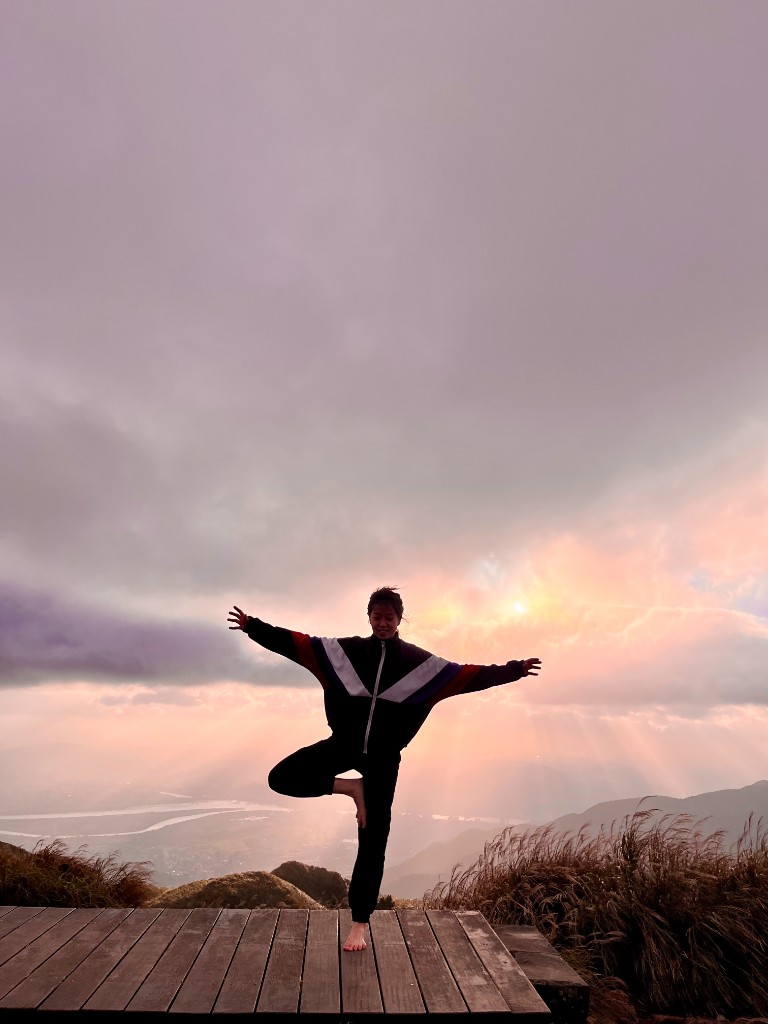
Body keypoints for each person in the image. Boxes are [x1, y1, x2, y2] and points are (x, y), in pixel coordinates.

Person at [227, 586, 540, 952]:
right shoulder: (342, 654)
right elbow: (296, 644)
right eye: (376, 617)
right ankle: (349, 788)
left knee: (373, 840)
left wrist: (515, 670)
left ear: (399, 619)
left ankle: (359, 924)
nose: (383, 623)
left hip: (382, 760)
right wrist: (253, 627)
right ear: (369, 617)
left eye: (389, 618)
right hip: (342, 745)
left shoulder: (421, 667)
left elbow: (470, 675)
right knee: (280, 777)